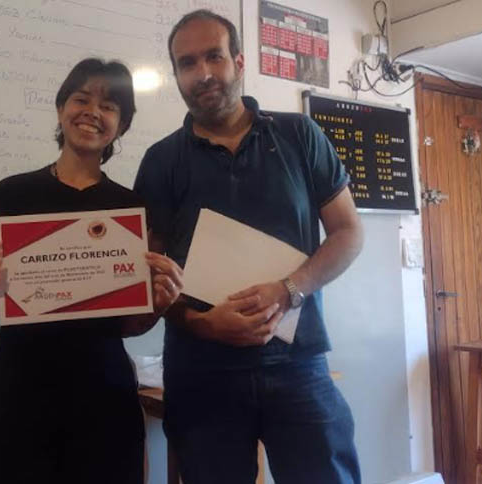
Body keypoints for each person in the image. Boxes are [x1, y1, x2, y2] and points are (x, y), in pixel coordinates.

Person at [133, 10, 365, 484]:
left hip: (299, 366)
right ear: (176, 75)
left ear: (238, 62)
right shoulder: (160, 161)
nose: (203, 73)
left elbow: (348, 232)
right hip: (201, 373)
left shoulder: (300, 135)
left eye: (214, 57)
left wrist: (289, 289)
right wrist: (204, 323)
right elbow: (148, 277)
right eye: (187, 63)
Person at [0, 58, 184, 484]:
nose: (92, 112)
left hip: (101, 388)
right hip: (19, 384)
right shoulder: (10, 196)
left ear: (121, 125)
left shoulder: (132, 210)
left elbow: (130, 324)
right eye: (81, 99)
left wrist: (160, 304)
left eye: (109, 106)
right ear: (61, 108)